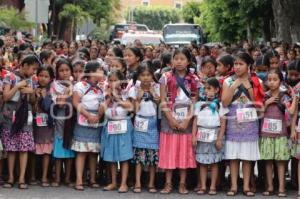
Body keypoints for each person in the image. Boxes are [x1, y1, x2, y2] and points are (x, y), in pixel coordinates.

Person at [222, 52, 264, 197]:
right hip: (233, 121)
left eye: (241, 64)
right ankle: (233, 185)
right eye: (236, 64)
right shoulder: (227, 81)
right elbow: (225, 102)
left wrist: (249, 87)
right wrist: (233, 86)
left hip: (250, 122)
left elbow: (259, 105)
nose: (238, 67)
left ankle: (246, 186)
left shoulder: (256, 81)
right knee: (233, 157)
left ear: (248, 66)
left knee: (246, 156)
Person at [159, 48, 199, 194]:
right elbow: (163, 101)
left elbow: (195, 101)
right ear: (172, 61)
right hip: (169, 116)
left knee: (184, 151)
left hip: (187, 117)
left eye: (182, 59)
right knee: (169, 150)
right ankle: (168, 183)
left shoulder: (194, 79)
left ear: (188, 61)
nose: (179, 62)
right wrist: (171, 119)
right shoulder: (165, 77)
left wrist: (187, 120)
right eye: (176, 59)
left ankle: (182, 183)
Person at [1, 54, 39, 189]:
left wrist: (32, 92)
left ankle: (22, 177)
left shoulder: (33, 79)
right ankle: (11, 177)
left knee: (24, 148)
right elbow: (5, 97)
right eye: (33, 69)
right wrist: (17, 86)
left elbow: (34, 101)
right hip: (10, 113)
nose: (34, 72)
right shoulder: (10, 77)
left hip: (26, 113)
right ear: (25, 65)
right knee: (11, 148)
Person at [260, 69, 297, 197]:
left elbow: (292, 112)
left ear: (280, 81)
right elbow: (258, 114)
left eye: (275, 80)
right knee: (268, 161)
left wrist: (294, 96)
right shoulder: (264, 96)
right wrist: (266, 104)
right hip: (266, 134)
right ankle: (269, 186)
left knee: (280, 162)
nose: (272, 82)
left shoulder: (284, 96)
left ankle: (281, 187)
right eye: (269, 80)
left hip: (281, 134)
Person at [72, 61, 105, 190]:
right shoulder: (80, 85)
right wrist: (88, 115)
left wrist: (97, 116)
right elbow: (75, 102)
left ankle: (92, 179)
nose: (102, 72)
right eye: (100, 70)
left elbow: (102, 104)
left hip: (96, 120)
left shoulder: (101, 88)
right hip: (83, 118)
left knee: (93, 152)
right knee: (81, 151)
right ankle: (79, 180)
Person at [128, 62, 160, 193]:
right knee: (139, 157)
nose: (146, 78)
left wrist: (153, 93)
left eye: (148, 75)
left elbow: (160, 103)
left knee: (152, 157)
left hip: (152, 123)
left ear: (152, 76)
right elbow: (134, 110)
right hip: (140, 122)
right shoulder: (134, 89)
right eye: (143, 75)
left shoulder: (157, 87)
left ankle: (151, 183)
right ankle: (137, 182)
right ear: (138, 76)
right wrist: (138, 97)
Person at [101, 70, 134, 193]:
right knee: (111, 156)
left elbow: (131, 107)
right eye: (110, 80)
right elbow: (102, 110)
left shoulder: (126, 92)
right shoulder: (105, 93)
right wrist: (109, 98)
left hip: (123, 125)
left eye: (115, 80)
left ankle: (124, 183)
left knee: (124, 156)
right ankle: (114, 182)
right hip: (110, 125)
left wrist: (118, 98)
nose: (113, 83)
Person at [192, 77, 225, 195]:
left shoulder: (220, 105)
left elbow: (223, 123)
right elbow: (195, 121)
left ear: (216, 90)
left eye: (209, 88)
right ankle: (203, 186)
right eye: (205, 88)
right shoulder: (199, 104)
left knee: (214, 162)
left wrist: (220, 138)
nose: (206, 91)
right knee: (202, 162)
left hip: (214, 134)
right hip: (201, 134)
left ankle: (212, 186)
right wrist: (193, 136)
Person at [51, 58, 75, 187]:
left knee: (70, 154)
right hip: (60, 119)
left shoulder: (76, 85)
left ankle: (67, 178)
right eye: (61, 71)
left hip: (71, 121)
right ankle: (57, 177)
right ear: (57, 72)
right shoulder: (55, 85)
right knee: (59, 152)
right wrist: (67, 91)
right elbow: (59, 104)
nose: (64, 73)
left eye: (67, 70)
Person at [31, 67, 55, 187]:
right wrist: (36, 96)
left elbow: (47, 107)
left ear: (50, 78)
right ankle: (33, 175)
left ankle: (45, 176)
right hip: (35, 124)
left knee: (46, 151)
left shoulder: (52, 91)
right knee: (35, 150)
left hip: (47, 126)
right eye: (41, 75)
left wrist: (45, 96)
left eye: (46, 76)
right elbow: (32, 106)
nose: (43, 78)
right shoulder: (33, 88)